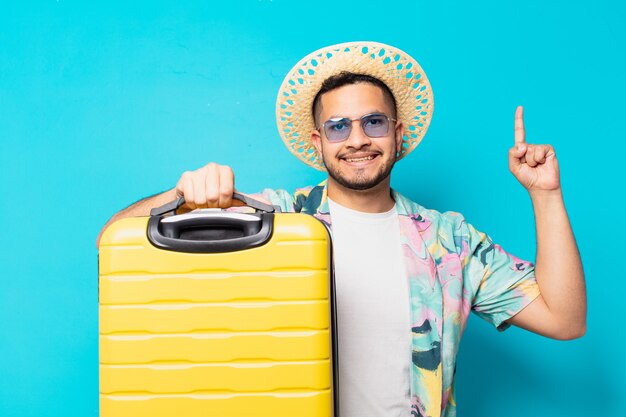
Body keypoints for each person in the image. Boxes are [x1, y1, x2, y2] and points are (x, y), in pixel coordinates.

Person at [97, 42, 586, 417]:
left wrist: (544, 195)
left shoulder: (447, 240)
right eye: (338, 127)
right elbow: (111, 242)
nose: (357, 140)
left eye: (374, 122)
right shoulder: (277, 223)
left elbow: (564, 319)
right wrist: (182, 195)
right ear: (318, 142)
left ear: (398, 133)